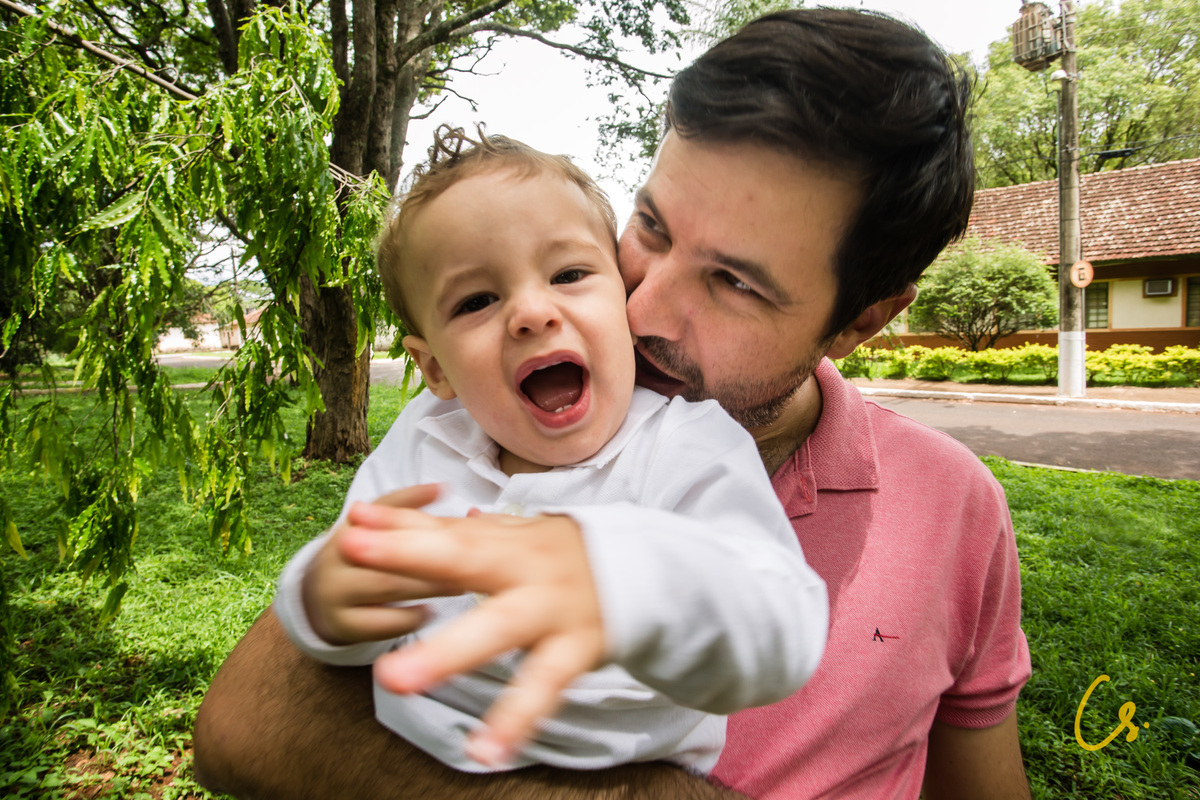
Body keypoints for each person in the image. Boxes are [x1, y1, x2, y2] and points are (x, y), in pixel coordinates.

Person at [193, 8, 1033, 799]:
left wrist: (628, 580)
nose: (643, 308)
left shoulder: (953, 509)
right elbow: (242, 728)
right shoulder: (460, 434)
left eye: (735, 283)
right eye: (652, 227)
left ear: (861, 321)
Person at [273, 127, 828, 774]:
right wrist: (319, 602)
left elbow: (786, 624)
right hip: (403, 766)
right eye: (477, 301)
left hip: (623, 779)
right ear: (435, 369)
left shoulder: (687, 446)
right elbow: (353, 564)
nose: (532, 313)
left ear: (625, 302)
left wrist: (626, 578)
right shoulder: (425, 439)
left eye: (568, 274)